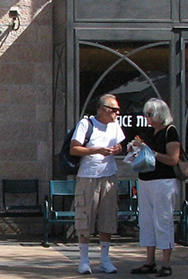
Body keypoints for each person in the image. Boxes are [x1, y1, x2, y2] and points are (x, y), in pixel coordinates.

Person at [71, 94, 126, 275]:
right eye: (113, 110)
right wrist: (96, 150)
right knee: (85, 218)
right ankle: (84, 260)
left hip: (109, 176)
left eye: (118, 110)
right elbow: (74, 148)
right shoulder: (86, 124)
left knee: (107, 219)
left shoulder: (115, 126)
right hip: (88, 176)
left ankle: (105, 259)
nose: (117, 113)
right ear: (102, 109)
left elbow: (120, 145)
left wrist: (117, 149)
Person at [129, 98, 181, 277]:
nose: (147, 118)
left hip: (163, 181)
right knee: (147, 221)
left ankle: (166, 263)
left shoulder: (170, 132)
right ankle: (149, 260)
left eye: (149, 114)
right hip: (146, 180)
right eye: (146, 114)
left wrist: (150, 151)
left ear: (159, 114)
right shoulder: (151, 132)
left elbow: (173, 159)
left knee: (163, 220)